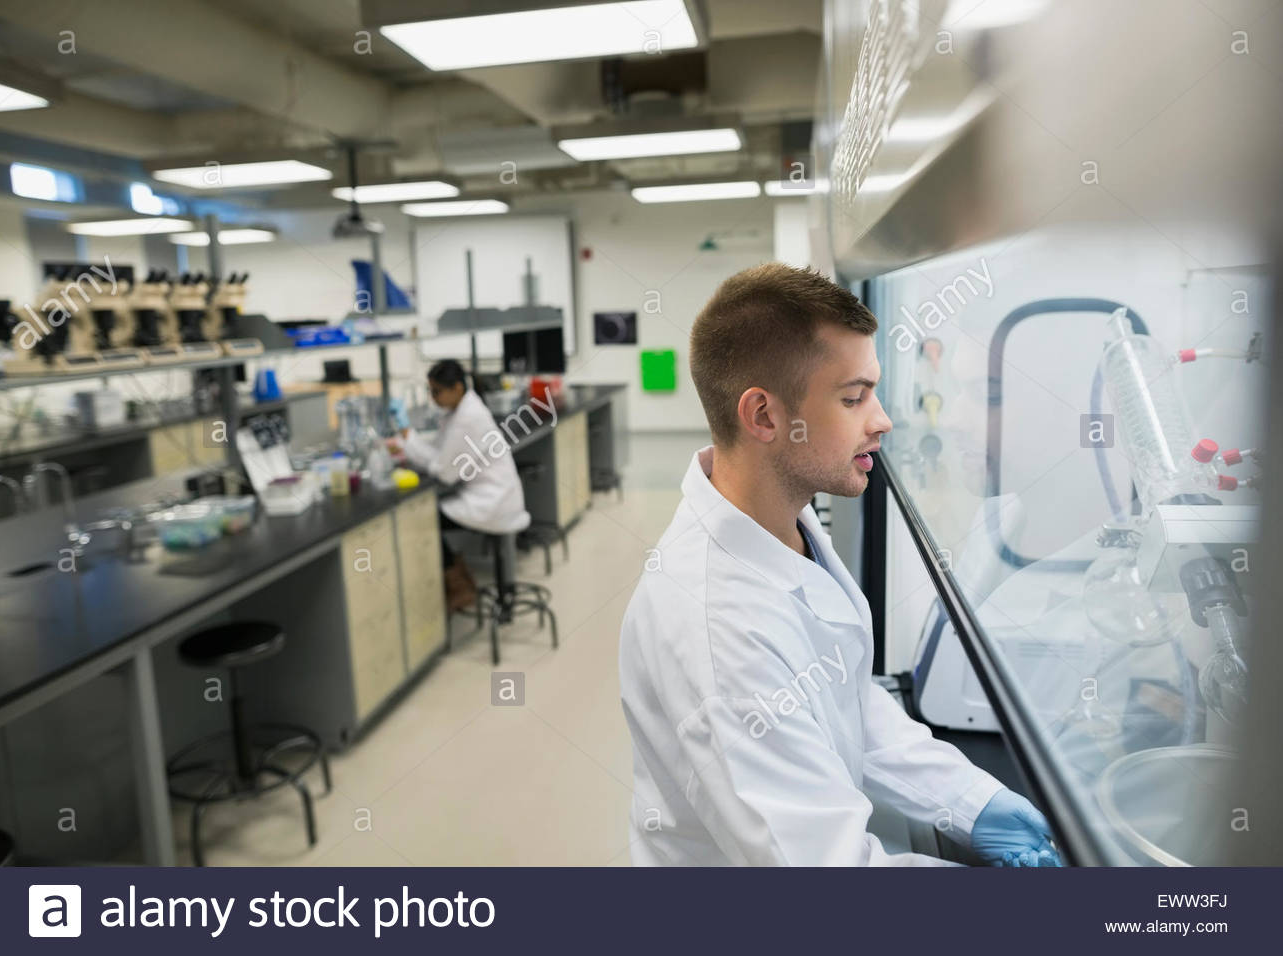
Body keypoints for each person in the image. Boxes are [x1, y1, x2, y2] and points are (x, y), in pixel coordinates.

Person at [619, 264, 1060, 867]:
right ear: (765, 416)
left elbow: (844, 697)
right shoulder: (717, 628)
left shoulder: (783, 525)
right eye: (853, 397)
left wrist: (972, 801)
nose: (881, 420)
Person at [392, 359, 529, 610]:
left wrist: (407, 438)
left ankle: (458, 585)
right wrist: (406, 443)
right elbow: (440, 454)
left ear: (456, 388)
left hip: (492, 502)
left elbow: (444, 472)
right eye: (430, 391)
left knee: (425, 518)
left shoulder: (468, 418)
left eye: (437, 391)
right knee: (431, 513)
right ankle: (461, 575)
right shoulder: (462, 410)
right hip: (492, 496)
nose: (433, 398)